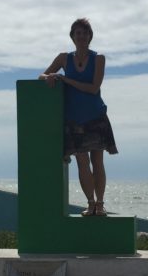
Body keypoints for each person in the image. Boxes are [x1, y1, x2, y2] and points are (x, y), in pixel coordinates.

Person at [38, 18, 118, 217]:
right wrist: (49, 77)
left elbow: (93, 88)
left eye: (85, 33)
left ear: (90, 36)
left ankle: (100, 204)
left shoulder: (98, 58)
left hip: (95, 116)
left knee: (97, 161)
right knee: (82, 163)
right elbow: (41, 75)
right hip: (74, 119)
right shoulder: (64, 58)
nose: (81, 37)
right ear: (72, 36)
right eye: (77, 33)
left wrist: (65, 79)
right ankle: (90, 203)